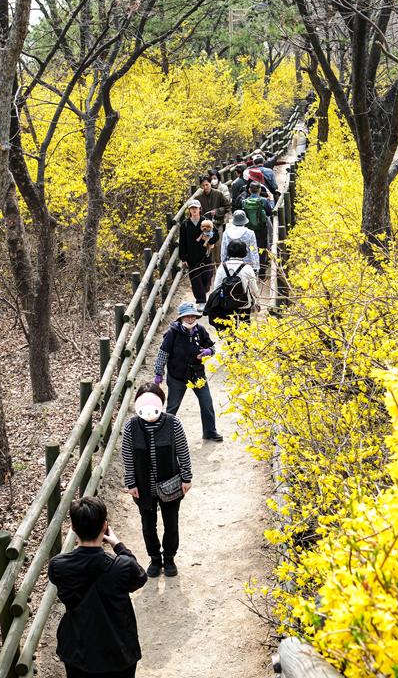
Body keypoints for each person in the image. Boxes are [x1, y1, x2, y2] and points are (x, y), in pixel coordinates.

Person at [47, 496, 148, 678]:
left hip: (78, 651)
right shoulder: (122, 566)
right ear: (104, 526)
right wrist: (118, 545)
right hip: (119, 651)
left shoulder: (58, 566)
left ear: (73, 528)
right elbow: (140, 577)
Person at [122, 385, 193, 577]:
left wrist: (187, 477)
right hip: (144, 486)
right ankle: (154, 558)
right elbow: (127, 456)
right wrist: (131, 483)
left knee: (171, 524)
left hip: (170, 483)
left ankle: (169, 558)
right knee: (148, 525)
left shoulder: (173, 423)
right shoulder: (131, 426)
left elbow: (183, 451)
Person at [153, 301, 222, 442]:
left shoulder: (200, 330)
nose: (190, 319)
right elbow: (163, 354)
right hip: (177, 376)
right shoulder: (172, 333)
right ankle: (165, 435)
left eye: (192, 316)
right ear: (181, 318)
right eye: (187, 317)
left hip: (197, 375)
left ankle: (209, 431)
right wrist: (158, 374)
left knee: (207, 402)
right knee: (172, 407)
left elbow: (212, 348)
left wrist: (209, 351)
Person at [205, 239, 261, 328]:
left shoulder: (222, 267)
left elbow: (216, 287)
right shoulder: (247, 268)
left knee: (229, 328)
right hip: (244, 303)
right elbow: (254, 288)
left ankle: (230, 341)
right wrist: (257, 301)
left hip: (226, 303)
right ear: (244, 252)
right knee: (245, 327)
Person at [177, 201, 215, 305]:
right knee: (195, 280)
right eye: (191, 208)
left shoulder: (206, 221)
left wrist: (209, 240)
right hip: (191, 257)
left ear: (200, 209)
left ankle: (205, 290)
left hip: (205, 255)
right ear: (189, 210)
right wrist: (183, 258)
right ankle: (201, 301)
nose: (194, 210)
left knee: (207, 278)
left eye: (196, 208)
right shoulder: (185, 224)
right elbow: (182, 242)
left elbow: (215, 236)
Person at [194, 175, 230, 265]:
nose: (205, 187)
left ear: (210, 183)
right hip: (204, 226)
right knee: (206, 245)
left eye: (207, 184)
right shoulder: (198, 198)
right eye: (203, 185)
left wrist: (217, 211)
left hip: (217, 223)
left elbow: (227, 206)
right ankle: (209, 264)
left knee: (217, 244)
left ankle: (218, 263)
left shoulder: (218, 194)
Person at [241, 182, 275, 278]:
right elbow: (270, 211)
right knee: (262, 248)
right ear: (259, 190)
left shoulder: (244, 202)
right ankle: (262, 273)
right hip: (261, 229)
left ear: (249, 190)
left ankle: (252, 270)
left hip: (249, 229)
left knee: (251, 248)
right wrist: (271, 200)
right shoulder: (263, 201)